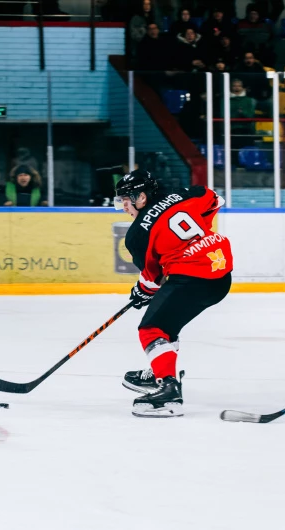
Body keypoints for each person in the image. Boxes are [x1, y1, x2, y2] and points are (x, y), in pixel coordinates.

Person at [115, 170, 233, 418]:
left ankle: (168, 391)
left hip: (192, 279)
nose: (124, 206)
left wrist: (141, 292)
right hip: (220, 273)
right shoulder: (183, 194)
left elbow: (153, 277)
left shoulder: (137, 234)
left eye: (126, 200)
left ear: (141, 197)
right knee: (168, 324)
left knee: (151, 329)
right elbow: (215, 200)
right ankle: (161, 372)